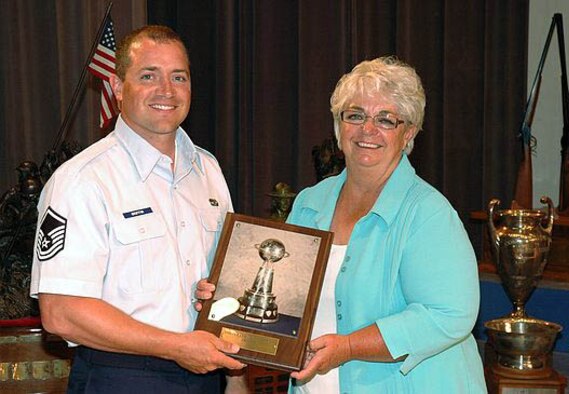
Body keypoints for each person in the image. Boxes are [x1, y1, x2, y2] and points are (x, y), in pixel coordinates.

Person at [30, 25, 248, 393]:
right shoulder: (83, 180)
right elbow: (61, 313)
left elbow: (223, 287)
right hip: (122, 376)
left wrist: (234, 381)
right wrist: (177, 347)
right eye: (149, 76)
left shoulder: (208, 170)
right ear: (117, 88)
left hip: (207, 372)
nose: (166, 90)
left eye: (178, 77)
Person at [287, 57, 487, 393]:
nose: (368, 130)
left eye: (385, 119)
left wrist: (349, 347)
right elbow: (282, 291)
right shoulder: (309, 203)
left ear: (408, 133)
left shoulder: (428, 214)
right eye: (355, 115)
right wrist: (226, 298)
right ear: (339, 127)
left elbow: (449, 314)